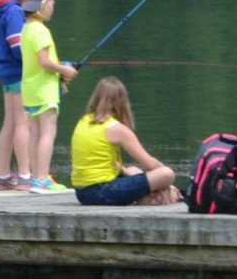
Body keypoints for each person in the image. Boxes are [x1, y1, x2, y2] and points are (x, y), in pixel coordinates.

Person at [70, 77, 178, 205]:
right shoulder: (116, 129)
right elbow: (150, 165)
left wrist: (128, 172)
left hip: (82, 193)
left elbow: (99, 160)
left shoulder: (83, 121)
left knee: (133, 170)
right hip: (102, 192)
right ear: (121, 101)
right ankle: (154, 196)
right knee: (166, 174)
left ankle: (144, 195)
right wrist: (162, 173)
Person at [20, 0, 77, 193]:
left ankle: (36, 178)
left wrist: (60, 69)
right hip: (45, 90)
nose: (53, 7)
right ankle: (42, 179)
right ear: (43, 5)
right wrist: (65, 70)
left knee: (34, 133)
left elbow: (38, 61)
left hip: (30, 89)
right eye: (52, 3)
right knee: (47, 133)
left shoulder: (26, 29)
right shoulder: (42, 31)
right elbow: (45, 62)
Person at [0, 0, 38, 191]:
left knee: (9, 123)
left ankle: (3, 175)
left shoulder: (1, 10)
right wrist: (38, 63)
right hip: (19, 74)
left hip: (6, 72)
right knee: (22, 124)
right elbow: (18, 47)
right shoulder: (14, 12)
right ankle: (25, 176)